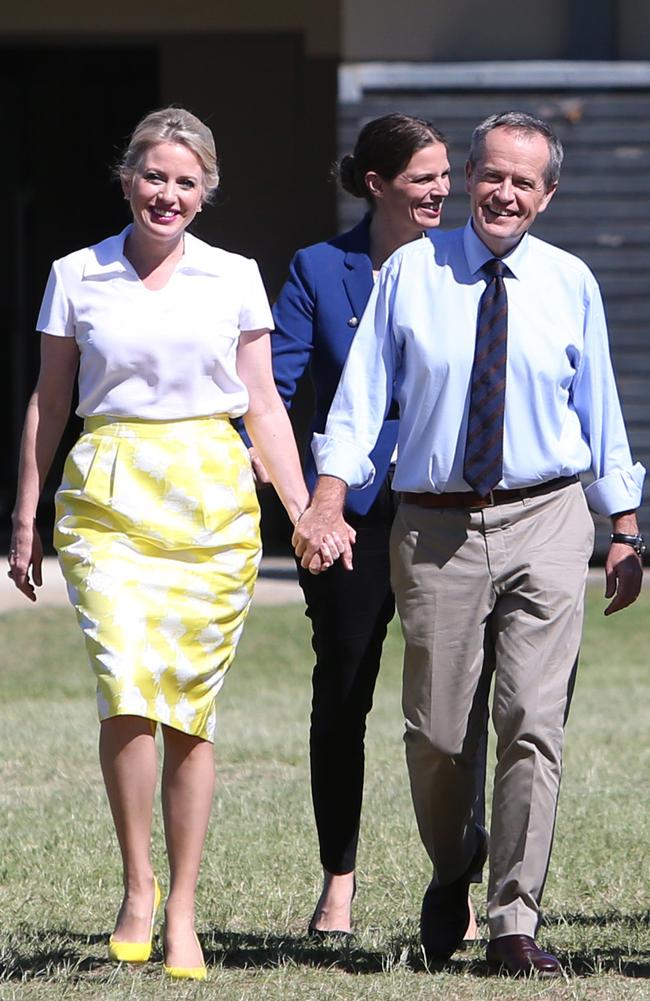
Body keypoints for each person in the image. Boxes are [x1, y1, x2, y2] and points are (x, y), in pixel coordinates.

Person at [294, 111, 645, 975]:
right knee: (437, 733)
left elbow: (598, 410)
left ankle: (514, 920)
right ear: (470, 179)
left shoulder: (570, 282)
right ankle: (457, 862)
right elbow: (360, 398)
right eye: (492, 174)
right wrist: (329, 494)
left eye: (525, 182)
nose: (505, 193)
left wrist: (626, 526)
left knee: (533, 719)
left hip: (548, 517)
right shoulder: (413, 272)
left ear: (548, 195)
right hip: (436, 525)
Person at [7, 107, 328, 981]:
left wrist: (302, 509)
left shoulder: (236, 278)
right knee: (124, 683)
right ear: (127, 180)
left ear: (205, 192)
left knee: (187, 702)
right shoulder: (77, 274)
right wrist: (26, 509)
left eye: (186, 182)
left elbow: (262, 404)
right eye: (155, 177)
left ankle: (182, 906)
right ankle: (136, 887)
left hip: (210, 496)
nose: (168, 194)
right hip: (109, 489)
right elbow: (50, 400)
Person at [248, 113, 487, 937]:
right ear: (379, 183)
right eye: (423, 177)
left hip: (439, 511)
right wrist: (301, 501)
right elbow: (272, 391)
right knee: (343, 694)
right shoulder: (319, 268)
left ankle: (453, 871)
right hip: (344, 518)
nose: (441, 191)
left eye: (445, 176)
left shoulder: (463, 270)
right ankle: (338, 881)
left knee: (450, 707)